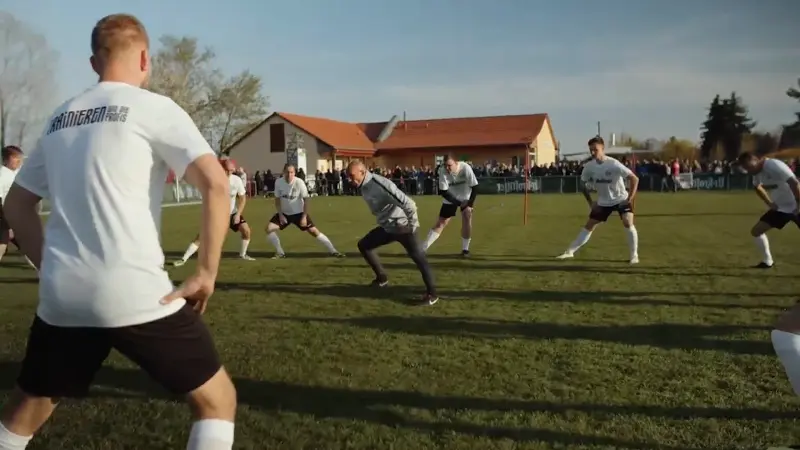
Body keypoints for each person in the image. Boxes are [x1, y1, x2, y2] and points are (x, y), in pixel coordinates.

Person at [0, 14, 237, 450]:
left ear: (94, 63)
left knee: (25, 412)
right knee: (217, 401)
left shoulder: (59, 118)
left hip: (62, 298)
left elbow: (16, 204)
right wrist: (206, 271)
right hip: (134, 293)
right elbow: (216, 184)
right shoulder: (155, 108)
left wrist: (47, 264)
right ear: (145, 58)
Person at [346, 160, 438, 305]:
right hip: (387, 227)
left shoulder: (380, 184)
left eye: (352, 176)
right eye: (348, 177)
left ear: (363, 172)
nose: (349, 180)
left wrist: (413, 226)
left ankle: (432, 295)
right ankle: (382, 279)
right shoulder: (363, 185)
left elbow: (410, 204)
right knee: (364, 245)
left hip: (402, 226)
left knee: (419, 258)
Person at [556, 136, 640, 264]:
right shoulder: (589, 166)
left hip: (620, 198)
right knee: (589, 226)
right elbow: (582, 185)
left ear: (603, 148)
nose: (593, 153)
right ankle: (569, 252)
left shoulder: (613, 164)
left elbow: (634, 179)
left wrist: (629, 199)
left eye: (595, 149)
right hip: (603, 202)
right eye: (591, 150)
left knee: (627, 222)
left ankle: (634, 255)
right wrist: (590, 202)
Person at [173, 157, 256, 266]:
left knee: (246, 231)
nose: (229, 172)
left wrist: (238, 214)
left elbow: (242, 198)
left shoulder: (236, 180)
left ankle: (243, 254)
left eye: (231, 171)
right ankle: (183, 259)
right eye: (227, 170)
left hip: (232, 213)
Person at [265, 163, 344, 259]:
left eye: (291, 172)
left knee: (314, 232)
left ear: (295, 173)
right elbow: (277, 200)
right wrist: (281, 215)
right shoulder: (278, 182)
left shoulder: (299, 183)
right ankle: (280, 252)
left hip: (299, 213)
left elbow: (306, 200)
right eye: (287, 172)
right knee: (269, 228)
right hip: (285, 214)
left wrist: (304, 217)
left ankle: (334, 251)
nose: (289, 174)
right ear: (283, 172)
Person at [737, 152, 800, 268]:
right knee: (756, 231)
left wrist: (798, 205)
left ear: (756, 160)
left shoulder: (773, 165)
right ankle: (767, 261)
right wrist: (769, 203)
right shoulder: (756, 172)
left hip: (797, 204)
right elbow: (757, 187)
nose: (748, 171)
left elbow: (794, 183)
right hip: (781, 208)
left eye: (749, 167)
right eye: (746, 169)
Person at [421, 155, 479, 256]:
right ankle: (422, 249)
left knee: (467, 215)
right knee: (441, 222)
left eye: (449, 165)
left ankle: (465, 249)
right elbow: (444, 192)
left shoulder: (466, 168)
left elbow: (475, 187)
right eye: (445, 165)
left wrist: (469, 204)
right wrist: (459, 203)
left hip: (466, 195)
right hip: (451, 196)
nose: (447, 168)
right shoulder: (443, 171)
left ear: (456, 163)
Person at [0, 145, 31, 266]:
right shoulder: (2, 175)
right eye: (15, 158)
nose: (19, 161)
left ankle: (42, 269)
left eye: (20, 158)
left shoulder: (16, 172)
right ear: (7, 159)